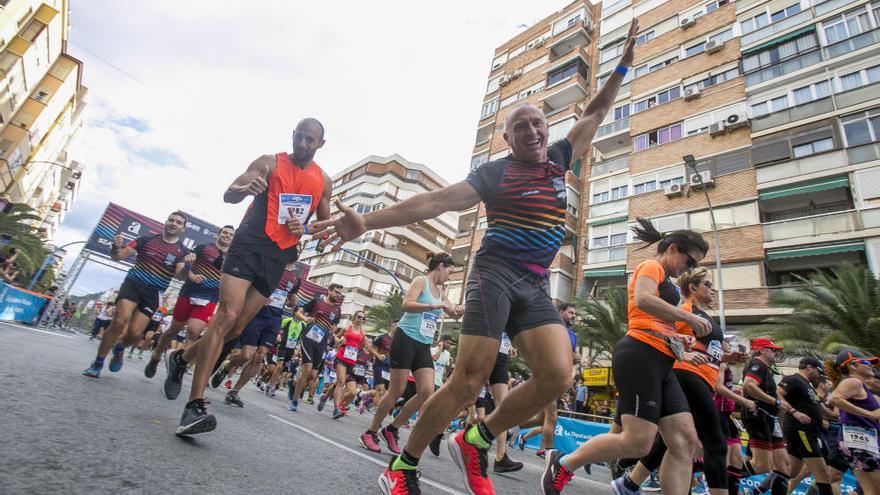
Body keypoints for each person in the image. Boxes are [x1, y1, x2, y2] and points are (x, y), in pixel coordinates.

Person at [312, 20, 642, 495]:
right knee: (469, 381)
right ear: (508, 139)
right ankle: (401, 466)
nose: (531, 129)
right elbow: (435, 203)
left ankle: (477, 438)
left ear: (546, 131)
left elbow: (598, 108)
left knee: (557, 375)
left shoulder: (560, 158)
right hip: (493, 274)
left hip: (534, 284)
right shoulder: (495, 173)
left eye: (537, 123)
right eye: (520, 126)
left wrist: (624, 62)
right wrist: (366, 221)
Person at [161, 118, 331, 435]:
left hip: (278, 257)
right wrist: (245, 189)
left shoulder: (323, 181)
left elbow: (323, 227)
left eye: (311, 140)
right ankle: (194, 406)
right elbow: (230, 193)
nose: (304, 144)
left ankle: (182, 359)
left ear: (321, 144)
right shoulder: (269, 162)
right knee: (226, 316)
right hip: (248, 244)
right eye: (300, 137)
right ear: (293, 136)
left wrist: (305, 229)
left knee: (236, 329)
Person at [607, 268, 748, 495]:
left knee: (677, 440)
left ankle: (629, 482)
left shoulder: (706, 318)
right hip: (686, 375)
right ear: (692, 288)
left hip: (704, 379)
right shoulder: (685, 311)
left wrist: (731, 357)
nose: (713, 290)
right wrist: (687, 353)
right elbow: (666, 338)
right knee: (715, 442)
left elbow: (711, 352)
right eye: (708, 285)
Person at [357, 253, 462, 455]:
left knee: (426, 392)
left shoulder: (441, 292)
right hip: (405, 339)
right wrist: (432, 306)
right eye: (449, 272)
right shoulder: (420, 281)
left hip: (423, 344)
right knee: (397, 389)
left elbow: (454, 311)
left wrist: (469, 307)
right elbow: (407, 304)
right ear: (441, 267)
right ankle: (369, 433)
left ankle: (392, 429)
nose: (449, 277)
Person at [83, 212, 192, 378]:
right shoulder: (145, 240)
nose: (173, 223)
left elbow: (180, 276)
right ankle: (98, 362)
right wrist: (115, 246)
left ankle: (120, 348)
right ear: (166, 221)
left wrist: (187, 267)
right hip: (133, 284)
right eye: (171, 219)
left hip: (154, 293)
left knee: (134, 334)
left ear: (183, 229)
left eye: (178, 222)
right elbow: (117, 256)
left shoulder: (182, 251)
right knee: (119, 321)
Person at [145, 225, 235, 378]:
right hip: (188, 293)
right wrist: (190, 273)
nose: (227, 236)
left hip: (209, 298)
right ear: (218, 235)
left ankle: (178, 368)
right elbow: (183, 268)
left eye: (230, 235)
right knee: (173, 329)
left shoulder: (233, 257)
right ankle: (156, 356)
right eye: (224, 233)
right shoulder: (203, 247)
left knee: (193, 332)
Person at [216, 266, 301, 408]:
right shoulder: (270, 266)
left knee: (259, 356)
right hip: (257, 314)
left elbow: (289, 301)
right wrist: (258, 297)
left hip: (274, 319)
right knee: (245, 355)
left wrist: (292, 302)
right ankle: (226, 367)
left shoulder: (295, 279)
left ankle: (234, 391)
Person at [738, 337, 792, 495]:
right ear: (762, 350)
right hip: (758, 416)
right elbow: (748, 385)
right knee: (762, 465)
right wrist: (775, 402)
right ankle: (720, 477)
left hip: (770, 418)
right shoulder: (757, 363)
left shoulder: (764, 367)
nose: (776, 352)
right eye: (773, 349)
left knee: (784, 465)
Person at [777, 357, 836, 495]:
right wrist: (794, 412)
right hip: (802, 431)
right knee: (823, 475)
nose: (819, 376)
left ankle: (757, 490)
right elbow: (777, 393)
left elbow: (824, 411)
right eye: (818, 371)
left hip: (809, 432)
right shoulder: (792, 379)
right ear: (809, 367)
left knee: (790, 472)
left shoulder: (808, 385)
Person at [827, 350, 880, 494]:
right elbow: (834, 399)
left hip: (858, 442)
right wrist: (870, 414)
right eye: (866, 362)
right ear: (852, 366)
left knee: (870, 491)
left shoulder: (860, 386)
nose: (871, 365)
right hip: (861, 443)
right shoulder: (853, 381)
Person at [288, 283, 344, 412]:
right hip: (308, 337)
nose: (338, 295)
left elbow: (333, 328)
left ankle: (294, 384)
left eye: (340, 294)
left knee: (313, 375)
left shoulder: (337, 310)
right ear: (329, 291)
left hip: (321, 342)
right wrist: (305, 318)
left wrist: (335, 335)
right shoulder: (316, 302)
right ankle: (295, 401)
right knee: (307, 367)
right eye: (336, 292)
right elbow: (298, 312)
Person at [329, 310, 367, 419]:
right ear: (354, 317)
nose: (361, 320)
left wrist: (355, 359)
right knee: (341, 382)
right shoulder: (347, 328)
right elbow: (336, 338)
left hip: (351, 361)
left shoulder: (363, 334)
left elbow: (359, 347)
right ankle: (336, 409)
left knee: (339, 383)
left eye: (363, 318)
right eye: (359, 317)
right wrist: (339, 342)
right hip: (341, 357)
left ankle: (325, 396)